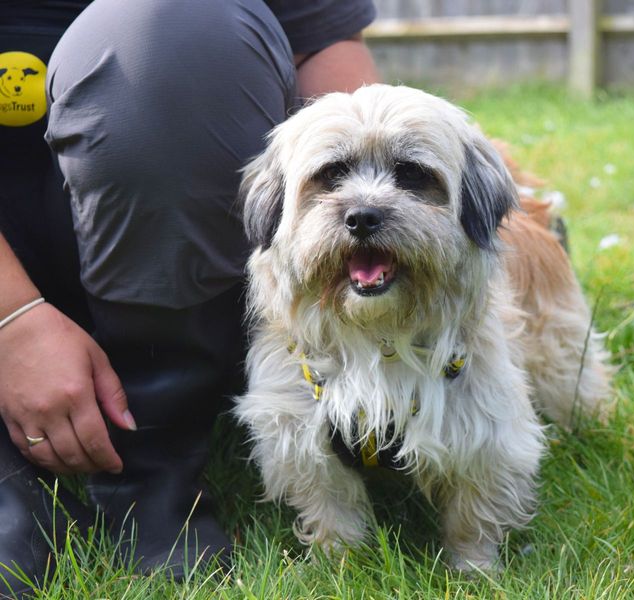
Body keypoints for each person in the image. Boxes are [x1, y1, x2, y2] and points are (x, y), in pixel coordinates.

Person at [0, 0, 379, 595]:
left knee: (169, 24)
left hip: (181, 246)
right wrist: (11, 321)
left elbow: (323, 48)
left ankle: (153, 464)